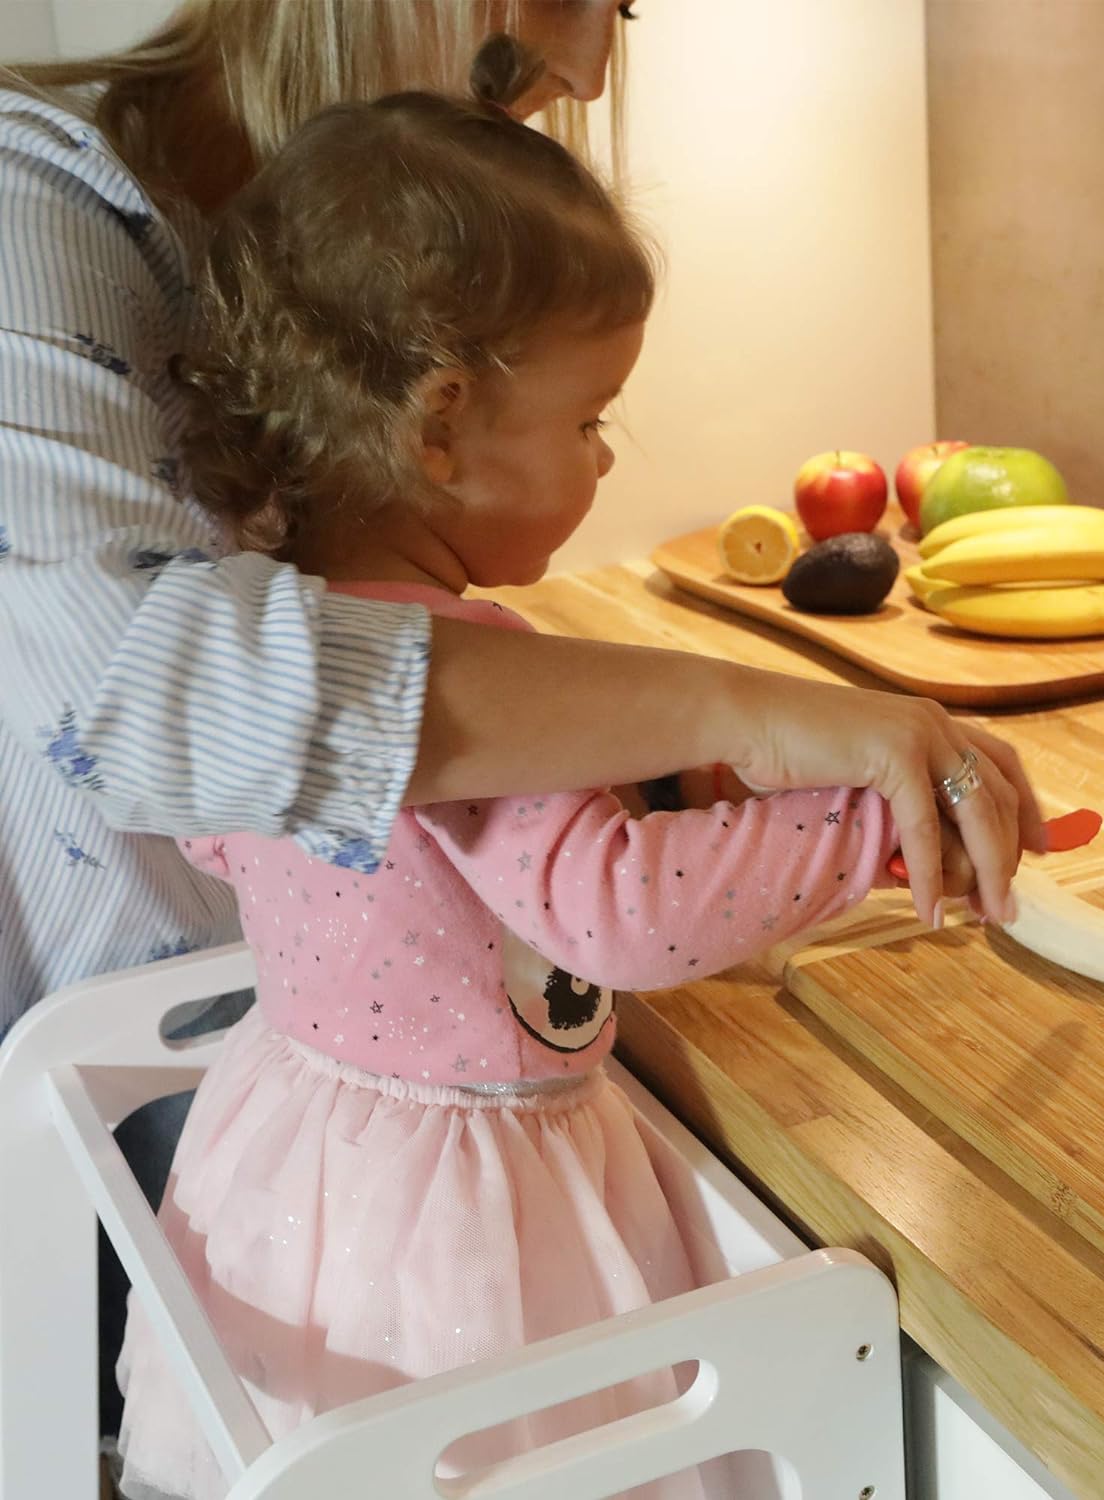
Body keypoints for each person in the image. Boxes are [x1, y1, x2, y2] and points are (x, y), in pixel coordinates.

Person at [112, 89, 983, 1499]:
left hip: (300, 1149)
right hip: (477, 1218)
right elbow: (615, 916)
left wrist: (657, 770)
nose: (605, 459)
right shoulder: (469, 673)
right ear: (442, 428)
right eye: (590, 417)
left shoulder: (265, 623)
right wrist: (872, 811)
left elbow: (283, 839)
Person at [0, 0, 1042, 1042]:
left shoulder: (336, 444)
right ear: (438, 422)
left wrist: (662, 763)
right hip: (136, 1147)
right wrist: (784, 750)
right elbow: (146, 697)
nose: (589, 73)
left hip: (267, 1129)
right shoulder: (27, 200)